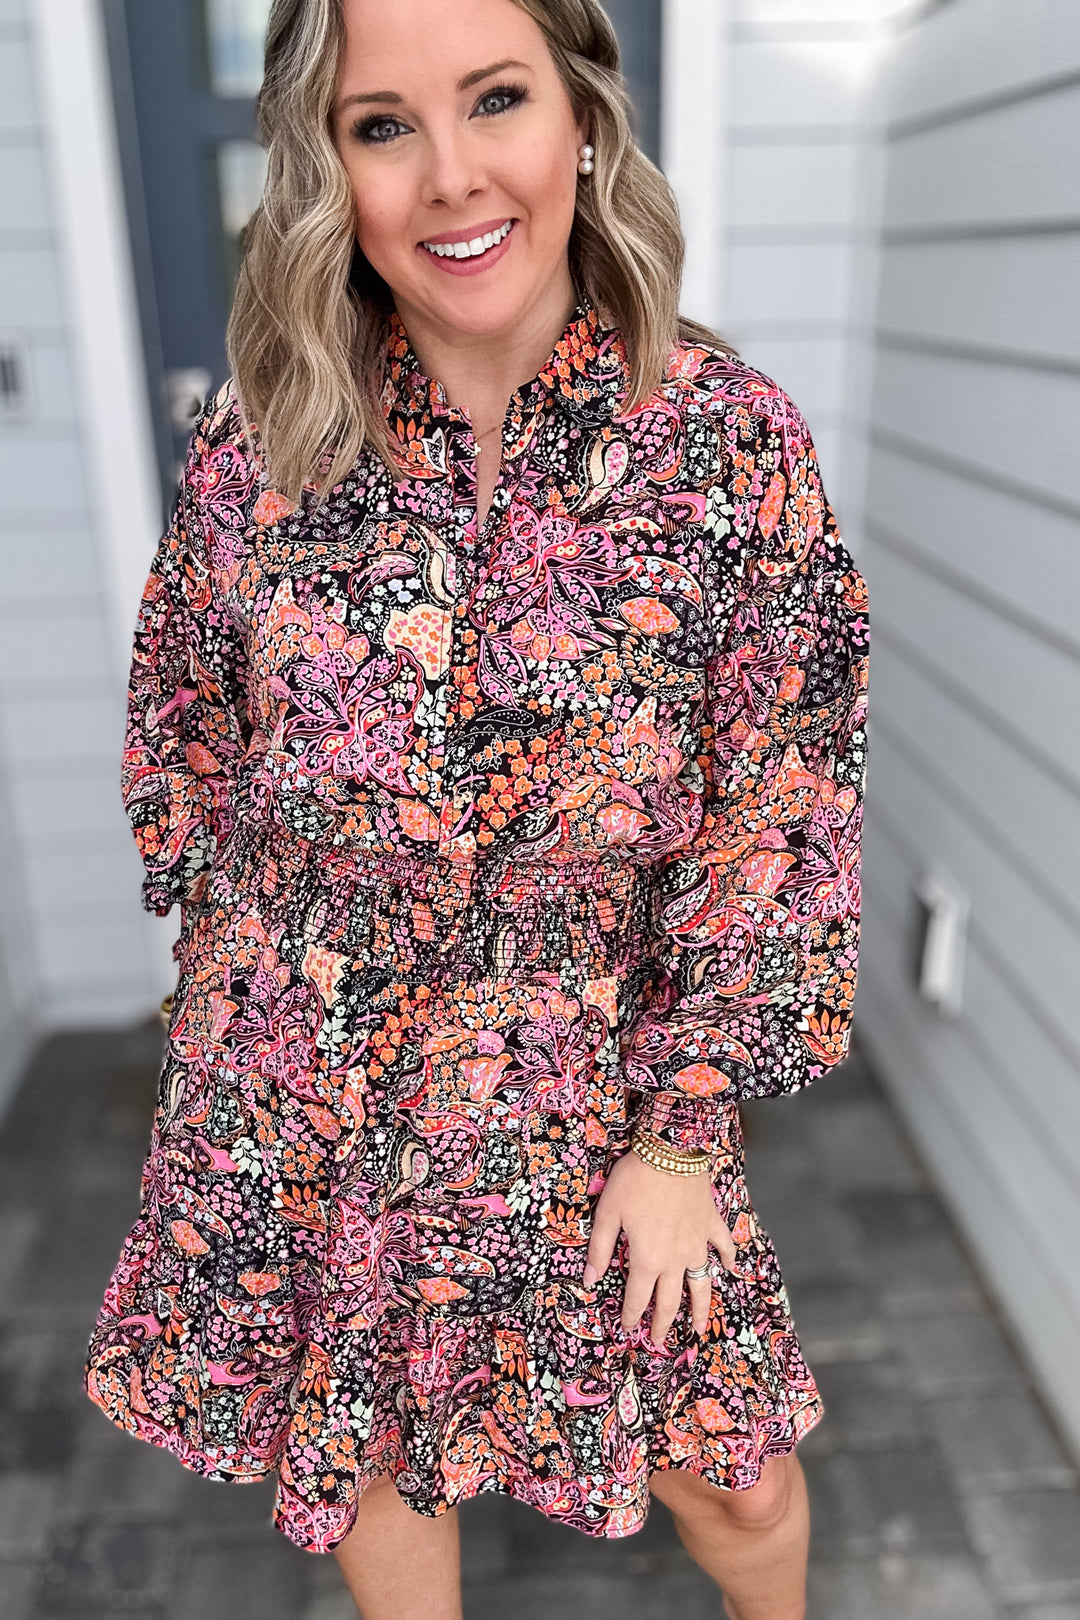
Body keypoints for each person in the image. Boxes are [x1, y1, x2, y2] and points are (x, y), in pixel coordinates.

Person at [84, 2, 870, 1617]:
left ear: (580, 119)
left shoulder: (725, 442)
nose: (450, 175)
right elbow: (183, 726)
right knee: (373, 1451)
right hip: (321, 1060)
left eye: (495, 99)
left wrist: (683, 1129)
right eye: (383, 125)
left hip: (595, 1060)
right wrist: (234, 988)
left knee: (733, 1475)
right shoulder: (260, 443)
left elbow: (783, 799)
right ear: (329, 169)